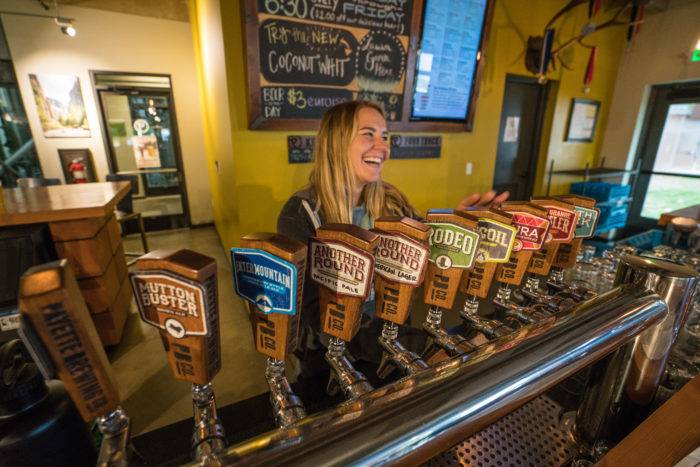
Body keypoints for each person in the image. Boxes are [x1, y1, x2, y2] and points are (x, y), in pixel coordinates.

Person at [277, 100, 508, 381]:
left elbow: (427, 250)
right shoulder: (301, 214)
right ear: (337, 142)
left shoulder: (391, 200)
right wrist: (420, 347)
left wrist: (461, 227)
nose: (383, 147)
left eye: (385, 137)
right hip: (331, 366)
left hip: (395, 343)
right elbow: (319, 316)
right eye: (368, 134)